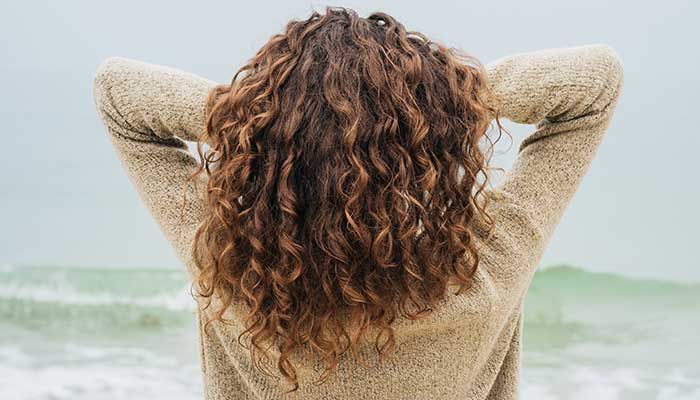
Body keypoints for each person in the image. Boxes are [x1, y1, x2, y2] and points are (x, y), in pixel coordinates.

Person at [92, 6, 623, 400]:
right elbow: (596, 82)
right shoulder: (483, 277)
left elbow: (118, 93)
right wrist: (433, 102)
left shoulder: (234, 274)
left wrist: (267, 115)